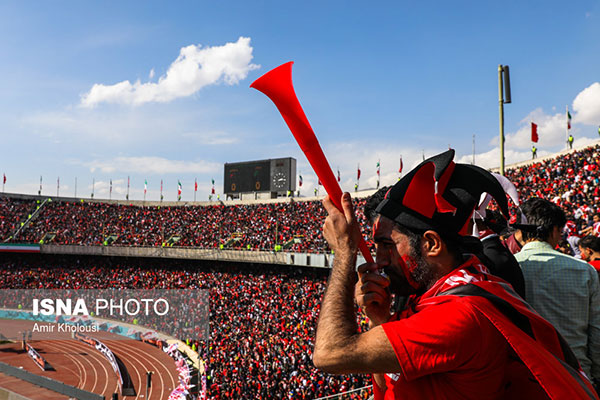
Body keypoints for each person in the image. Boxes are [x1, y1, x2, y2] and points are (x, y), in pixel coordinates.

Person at [313, 150, 597, 399]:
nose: (379, 260)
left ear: (432, 244)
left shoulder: (458, 314)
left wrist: (344, 253)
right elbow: (388, 376)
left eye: (388, 245)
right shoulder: (443, 292)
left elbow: (329, 354)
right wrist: (380, 319)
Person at [515, 198, 600, 387]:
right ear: (555, 230)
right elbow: (596, 330)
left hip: (527, 378)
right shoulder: (584, 270)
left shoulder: (509, 267)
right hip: (576, 376)